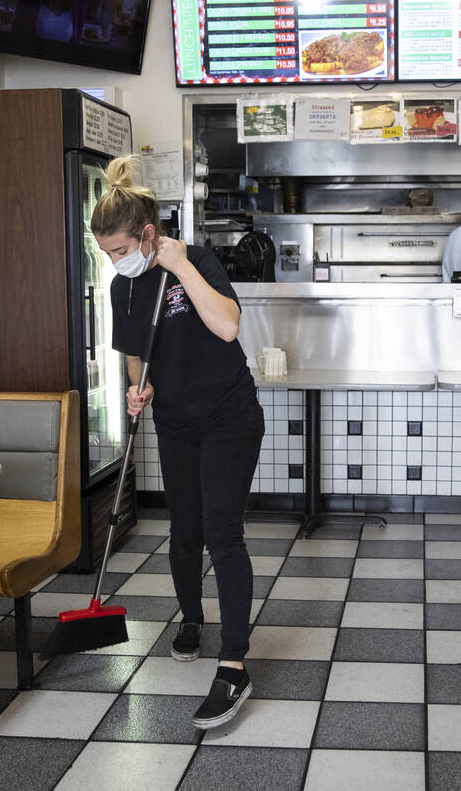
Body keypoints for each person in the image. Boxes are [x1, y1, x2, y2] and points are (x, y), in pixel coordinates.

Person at [91, 156, 263, 730]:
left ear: (148, 235)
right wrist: (138, 389)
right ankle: (191, 617)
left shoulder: (198, 262)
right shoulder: (123, 287)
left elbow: (229, 325)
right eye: (107, 254)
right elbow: (135, 352)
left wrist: (182, 265)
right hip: (176, 420)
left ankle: (234, 667)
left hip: (229, 415)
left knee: (222, 532)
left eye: (122, 249)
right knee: (184, 531)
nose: (116, 262)